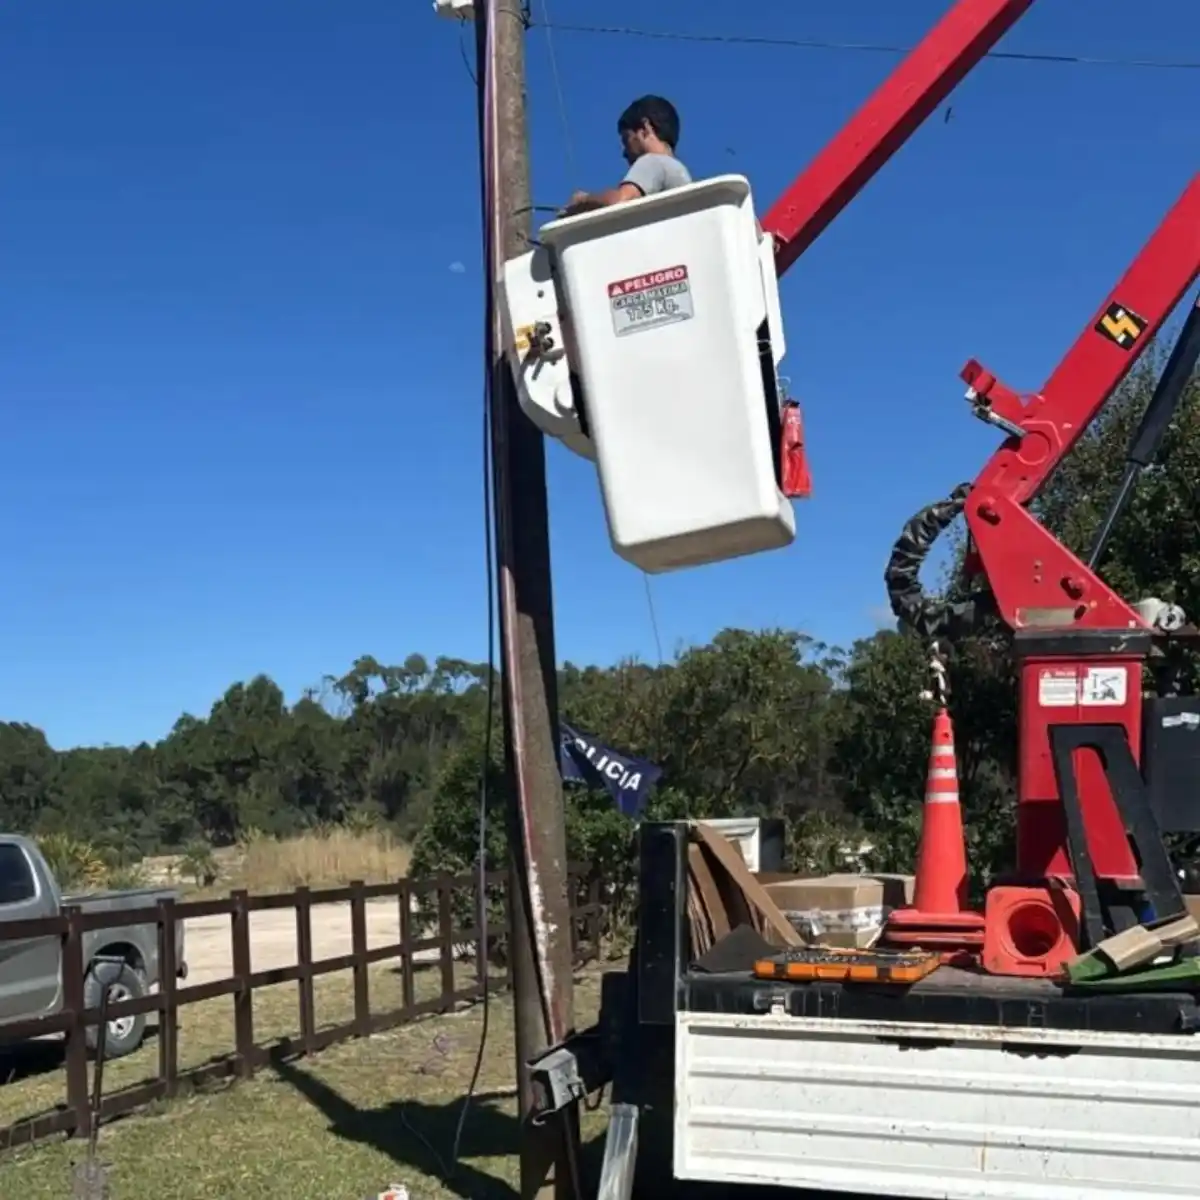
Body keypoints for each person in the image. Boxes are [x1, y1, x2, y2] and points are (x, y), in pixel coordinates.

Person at [562, 95, 692, 216]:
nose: (624, 153)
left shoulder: (652, 162)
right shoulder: (681, 173)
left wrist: (583, 200)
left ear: (646, 128)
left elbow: (620, 201)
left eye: (626, 139)